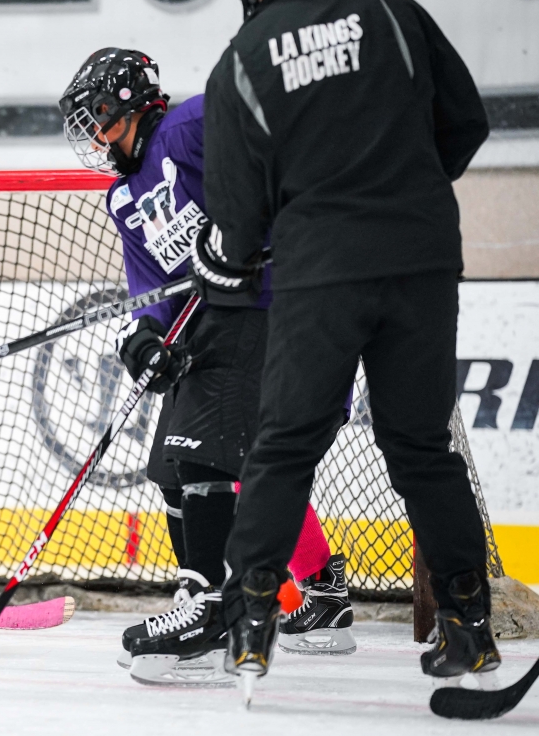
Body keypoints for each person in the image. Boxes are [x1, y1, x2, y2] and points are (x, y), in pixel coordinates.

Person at [193, 0, 497, 693]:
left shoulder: (243, 62)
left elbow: (235, 217)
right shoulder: (394, 14)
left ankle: (252, 619)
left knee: (285, 443)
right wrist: (401, 198)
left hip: (322, 271)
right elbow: (464, 124)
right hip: (424, 258)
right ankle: (470, 622)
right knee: (421, 445)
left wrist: (231, 257)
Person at [59, 50, 353, 686]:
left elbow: (273, 161)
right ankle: (264, 597)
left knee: (208, 455)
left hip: (271, 303)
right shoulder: (123, 198)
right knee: (172, 464)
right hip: (211, 325)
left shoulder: (189, 126)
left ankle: (215, 609)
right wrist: (142, 340)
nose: (92, 133)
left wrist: (254, 230)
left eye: (97, 117)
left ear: (128, 103)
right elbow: (155, 296)